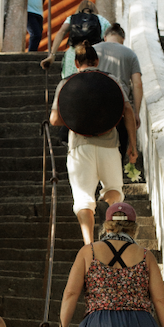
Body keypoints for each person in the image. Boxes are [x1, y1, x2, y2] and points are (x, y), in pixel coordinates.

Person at [49, 42, 137, 245]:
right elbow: (128, 111)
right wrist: (132, 145)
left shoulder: (66, 83)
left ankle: (89, 246)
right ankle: (112, 233)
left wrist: (75, 114)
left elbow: (54, 120)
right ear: (97, 61)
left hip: (80, 147)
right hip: (109, 145)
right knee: (114, 190)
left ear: (76, 62)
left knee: (82, 199)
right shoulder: (111, 80)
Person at [97, 23, 144, 170]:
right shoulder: (130, 54)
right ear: (122, 38)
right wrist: (136, 112)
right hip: (120, 106)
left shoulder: (93, 50)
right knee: (119, 145)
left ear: (105, 37)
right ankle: (114, 177)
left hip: (95, 104)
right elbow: (137, 84)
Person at [42, 7, 111, 76]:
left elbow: (61, 32)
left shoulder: (72, 18)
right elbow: (111, 34)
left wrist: (52, 55)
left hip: (73, 55)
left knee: (70, 80)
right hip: (94, 55)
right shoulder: (101, 19)